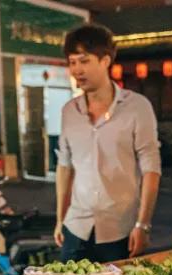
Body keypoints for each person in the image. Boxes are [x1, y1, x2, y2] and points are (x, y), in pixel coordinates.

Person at [55, 23, 161, 261]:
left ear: (105, 61)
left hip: (120, 230)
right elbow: (65, 167)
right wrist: (60, 219)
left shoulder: (137, 107)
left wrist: (143, 224)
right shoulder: (69, 112)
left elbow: (151, 169)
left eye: (84, 61)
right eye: (72, 62)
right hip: (76, 227)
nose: (77, 70)